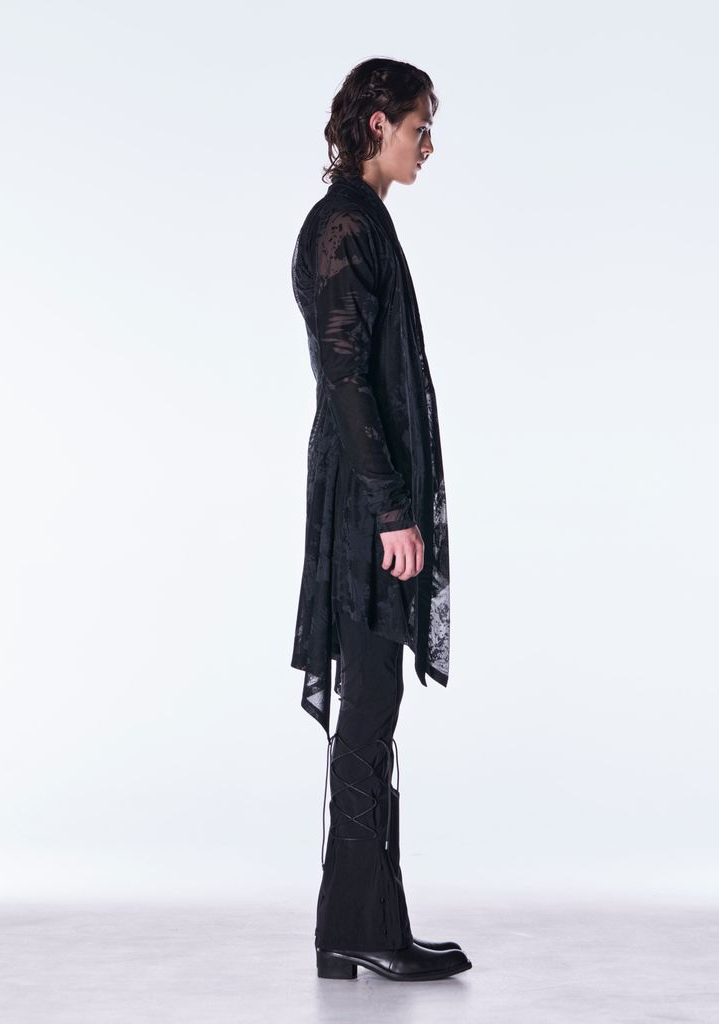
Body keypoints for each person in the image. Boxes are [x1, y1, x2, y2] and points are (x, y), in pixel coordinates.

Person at [290, 57, 471, 982]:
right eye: (418, 127)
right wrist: (393, 509)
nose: (427, 144)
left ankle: (358, 923)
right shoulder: (344, 225)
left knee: (374, 702)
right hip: (366, 506)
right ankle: (358, 929)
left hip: (367, 497)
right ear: (376, 125)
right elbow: (346, 378)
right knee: (369, 703)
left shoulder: (360, 220)